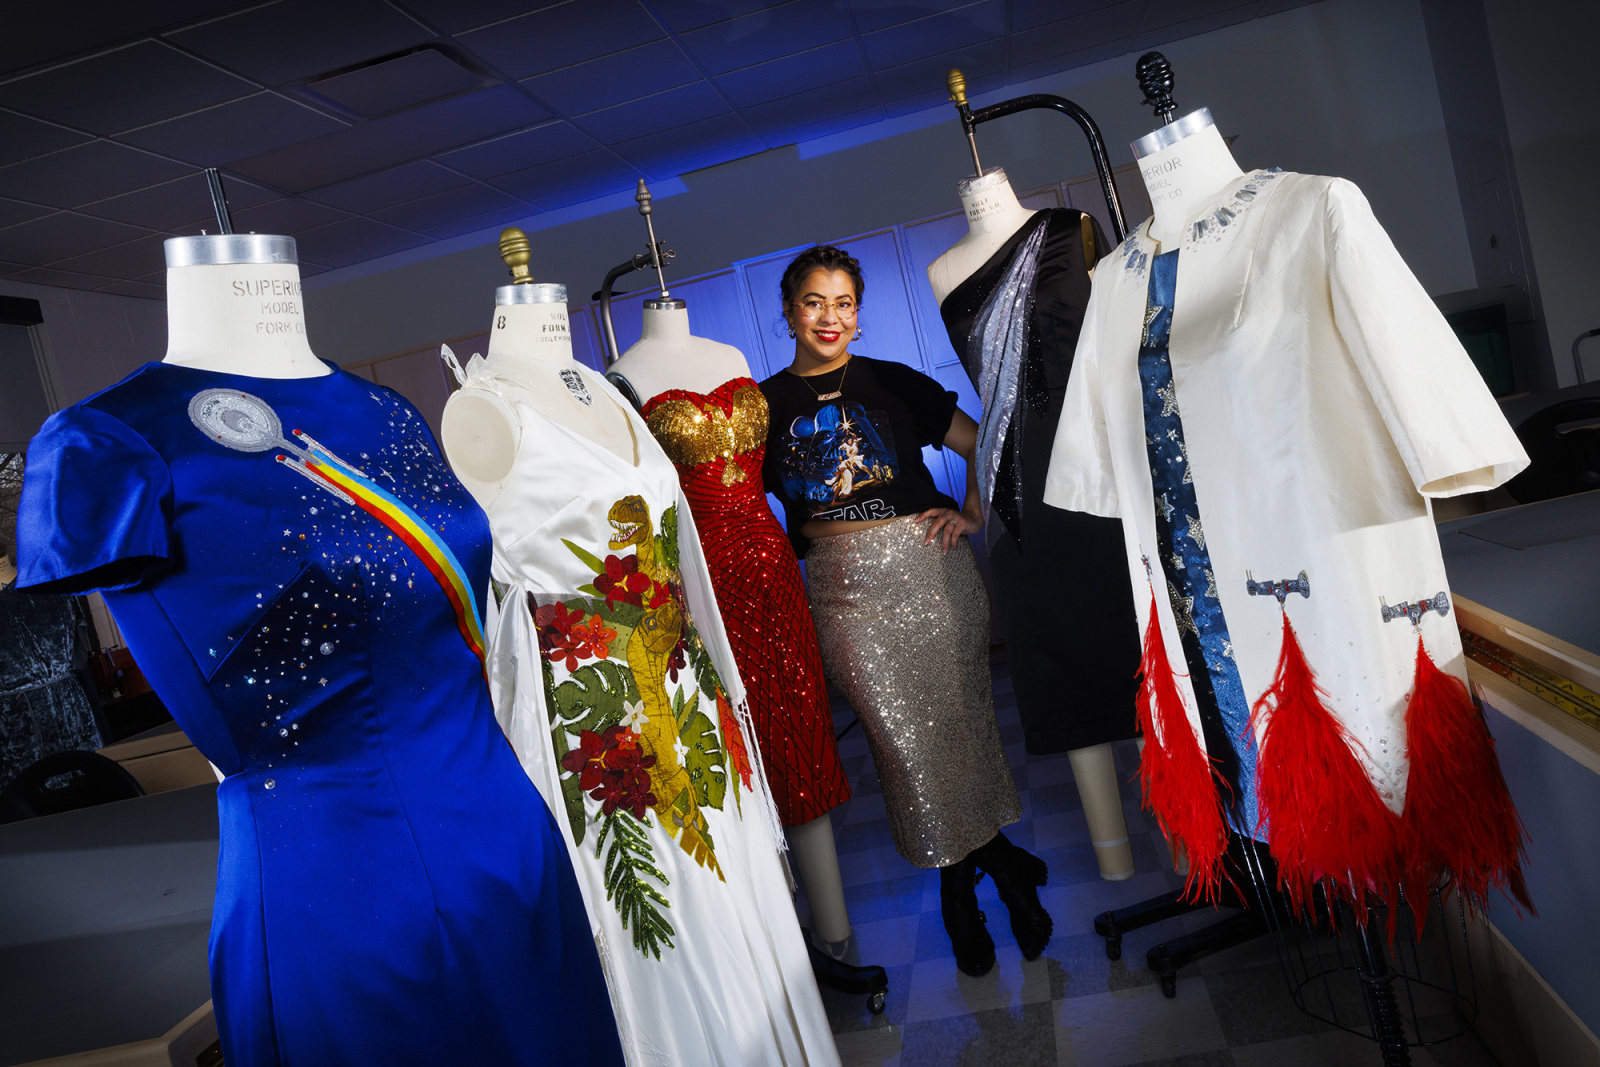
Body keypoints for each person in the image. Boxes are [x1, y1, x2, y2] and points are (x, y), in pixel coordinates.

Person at [759, 245, 1051, 976]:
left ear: (859, 315)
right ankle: (1005, 866)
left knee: (958, 733)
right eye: (814, 302)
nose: (830, 317)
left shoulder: (890, 381)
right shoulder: (760, 408)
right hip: (840, 589)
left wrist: (976, 513)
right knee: (904, 749)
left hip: (929, 571)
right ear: (789, 312)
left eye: (844, 303)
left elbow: (984, 441)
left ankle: (960, 896)